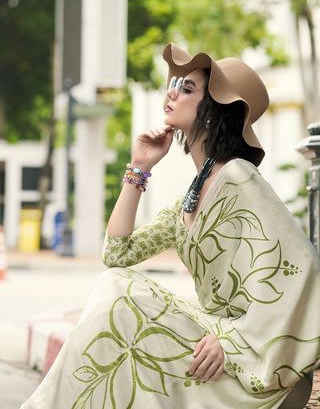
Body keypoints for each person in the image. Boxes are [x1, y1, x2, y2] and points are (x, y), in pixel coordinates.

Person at [21, 43, 320, 409]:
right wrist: (139, 168)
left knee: (122, 293)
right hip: (209, 346)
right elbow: (116, 254)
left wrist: (233, 338)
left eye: (188, 88)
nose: (172, 92)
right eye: (176, 83)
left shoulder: (239, 177)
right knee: (117, 285)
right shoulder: (188, 200)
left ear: (213, 113)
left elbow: (302, 268)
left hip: (249, 362)